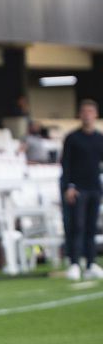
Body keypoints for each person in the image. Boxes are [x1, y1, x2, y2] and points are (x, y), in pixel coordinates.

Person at [59, 99, 103, 280]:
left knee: (92, 226)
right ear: (80, 114)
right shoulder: (72, 138)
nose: (87, 115)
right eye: (84, 111)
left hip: (94, 187)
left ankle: (91, 263)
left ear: (95, 114)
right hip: (77, 188)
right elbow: (66, 163)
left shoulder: (99, 138)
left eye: (90, 111)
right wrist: (69, 186)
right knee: (77, 226)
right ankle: (75, 262)